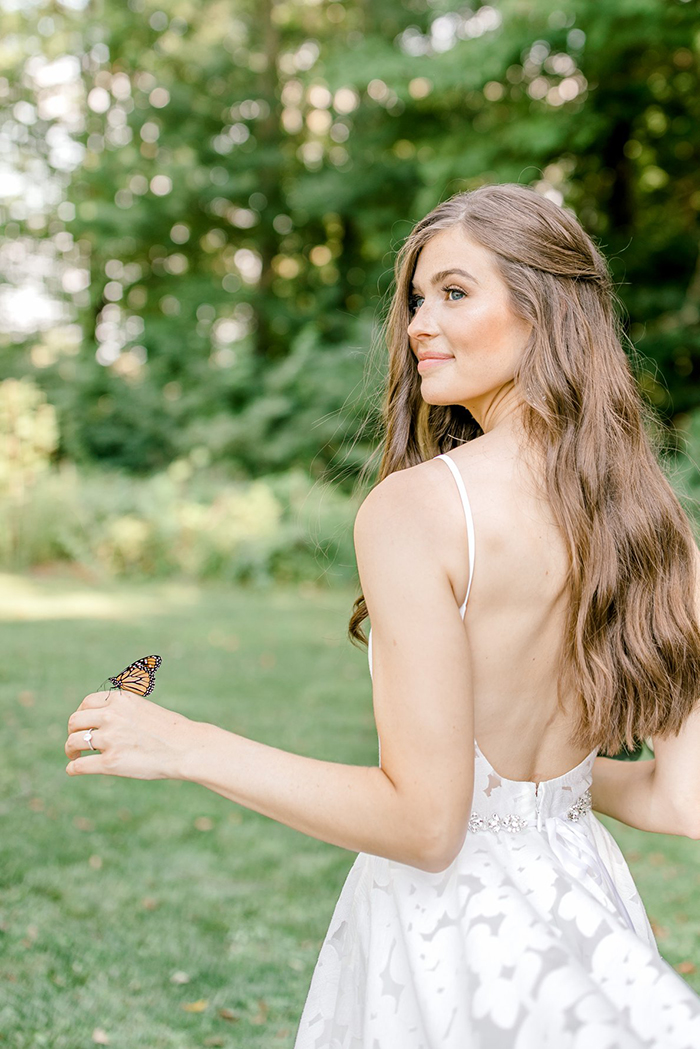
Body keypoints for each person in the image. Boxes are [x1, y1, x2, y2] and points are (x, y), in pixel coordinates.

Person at [65, 183, 700, 1048]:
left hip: (452, 934)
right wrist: (546, 795)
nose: (416, 325)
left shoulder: (420, 511)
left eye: (453, 292)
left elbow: (427, 826)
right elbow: (680, 798)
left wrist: (187, 745)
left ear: (545, 310)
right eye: (415, 299)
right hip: (586, 911)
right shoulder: (654, 521)